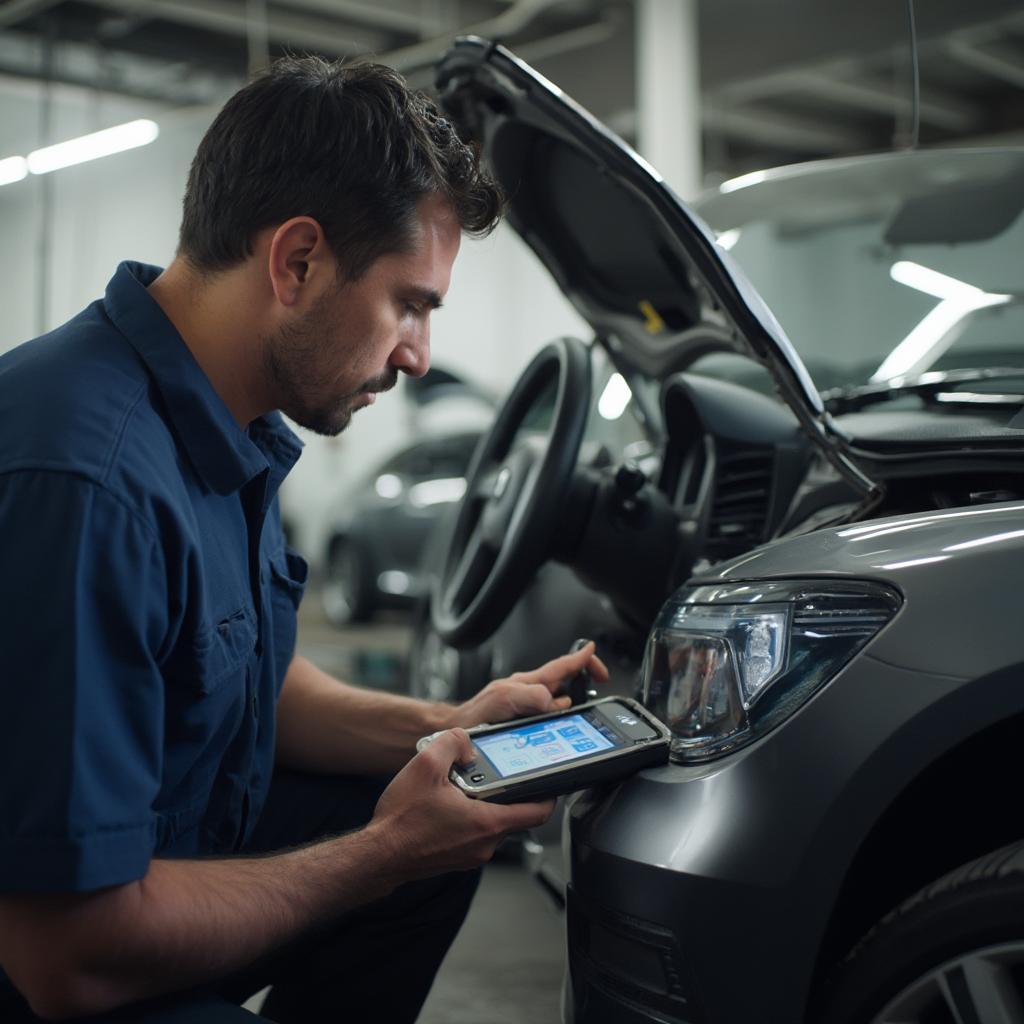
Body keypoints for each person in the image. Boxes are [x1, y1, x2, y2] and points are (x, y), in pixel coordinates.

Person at [0, 56, 607, 1023]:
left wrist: (450, 729)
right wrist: (379, 854)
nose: (418, 353)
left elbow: (249, 682)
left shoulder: (225, 422)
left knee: (449, 833)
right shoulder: (89, 483)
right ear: (297, 262)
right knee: (403, 851)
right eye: (410, 302)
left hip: (155, 864)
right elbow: (65, 955)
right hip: (56, 969)